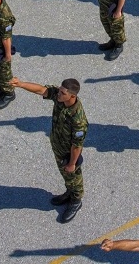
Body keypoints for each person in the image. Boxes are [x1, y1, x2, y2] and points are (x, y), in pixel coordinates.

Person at [9, 77, 88, 223]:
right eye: (60, 90)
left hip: (68, 153)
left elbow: (77, 146)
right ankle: (69, 192)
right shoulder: (60, 98)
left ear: (72, 96)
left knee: (73, 175)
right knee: (65, 175)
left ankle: (76, 200)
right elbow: (41, 90)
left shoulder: (78, 120)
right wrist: (20, 84)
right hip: (57, 145)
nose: (59, 94)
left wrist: (72, 163)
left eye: (63, 93)